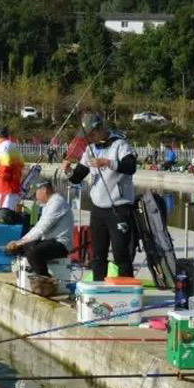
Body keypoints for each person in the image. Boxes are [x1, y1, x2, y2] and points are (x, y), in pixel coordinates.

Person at [68, 113, 137, 281]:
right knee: (97, 255)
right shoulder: (90, 149)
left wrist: (108, 163)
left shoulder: (120, 144)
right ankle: (99, 288)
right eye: (87, 136)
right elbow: (77, 177)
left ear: (100, 129)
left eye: (91, 134)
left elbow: (131, 167)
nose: (89, 138)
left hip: (119, 208)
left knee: (121, 254)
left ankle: (125, 291)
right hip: (98, 209)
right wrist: (68, 170)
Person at [6, 181, 75, 274]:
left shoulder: (57, 203)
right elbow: (37, 227)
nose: (35, 196)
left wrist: (20, 242)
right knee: (21, 248)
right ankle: (29, 276)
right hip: (49, 241)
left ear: (44, 190)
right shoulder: (49, 204)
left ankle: (45, 281)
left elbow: (42, 228)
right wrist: (20, 242)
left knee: (34, 254)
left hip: (60, 243)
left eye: (36, 193)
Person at [0, 127, 26, 225]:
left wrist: (0, 177)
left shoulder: (2, 147)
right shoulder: (13, 146)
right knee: (9, 215)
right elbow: (21, 165)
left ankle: (0, 237)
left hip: (3, 189)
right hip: (13, 189)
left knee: (1, 215)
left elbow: (5, 166)